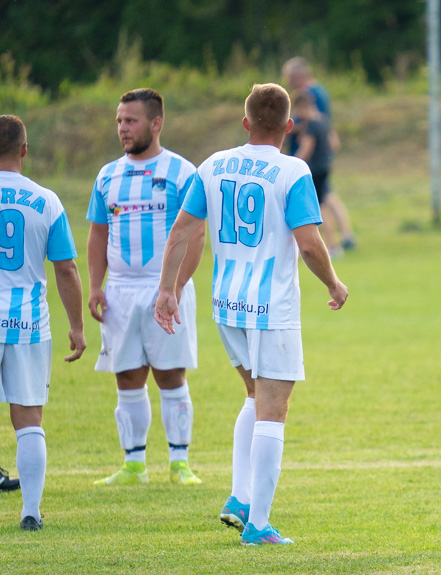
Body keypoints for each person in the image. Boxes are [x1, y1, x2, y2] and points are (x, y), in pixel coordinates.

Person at [154, 83, 348, 546]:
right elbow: (308, 242)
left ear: (245, 123)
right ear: (288, 125)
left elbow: (181, 229)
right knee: (274, 410)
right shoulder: (291, 169)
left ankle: (240, 498)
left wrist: (167, 290)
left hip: (227, 305)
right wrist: (334, 283)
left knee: (254, 396)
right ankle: (258, 525)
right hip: (271, 309)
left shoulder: (213, 165)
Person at [87, 88, 205, 486]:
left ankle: (180, 463)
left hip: (164, 290)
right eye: (119, 120)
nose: (122, 127)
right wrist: (95, 286)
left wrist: (173, 288)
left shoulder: (182, 172)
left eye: (131, 120)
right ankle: (133, 464)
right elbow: (98, 234)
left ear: (156, 123)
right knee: (127, 376)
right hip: (120, 290)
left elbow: (196, 235)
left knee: (171, 375)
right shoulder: (107, 175)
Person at [0, 115, 86, 530]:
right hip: (28, 323)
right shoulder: (46, 200)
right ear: (24, 151)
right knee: (29, 419)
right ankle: (30, 511)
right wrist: (78, 326)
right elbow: (66, 269)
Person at [282, 57, 356, 251]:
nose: (288, 82)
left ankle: (333, 242)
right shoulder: (319, 92)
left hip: (312, 160)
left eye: (290, 78)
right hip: (320, 159)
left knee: (320, 202)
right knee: (327, 197)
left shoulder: (309, 94)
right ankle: (346, 235)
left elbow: (311, 129)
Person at [291, 91, 339, 256]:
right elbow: (334, 144)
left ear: (302, 106)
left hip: (314, 171)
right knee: (323, 205)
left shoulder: (311, 124)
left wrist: (290, 164)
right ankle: (333, 245)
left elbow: (306, 148)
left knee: (318, 210)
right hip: (324, 167)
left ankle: (332, 246)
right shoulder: (323, 121)